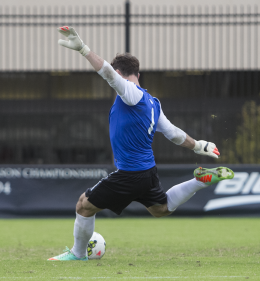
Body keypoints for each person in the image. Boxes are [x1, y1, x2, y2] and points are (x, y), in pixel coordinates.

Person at [48, 26, 234, 261]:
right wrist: (199, 146)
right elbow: (174, 134)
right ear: (138, 72)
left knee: (83, 206)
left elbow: (106, 72)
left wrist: (84, 50)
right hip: (147, 172)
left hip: (129, 174)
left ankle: (78, 254)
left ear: (120, 72)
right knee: (161, 208)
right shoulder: (153, 102)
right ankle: (199, 181)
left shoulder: (130, 93)